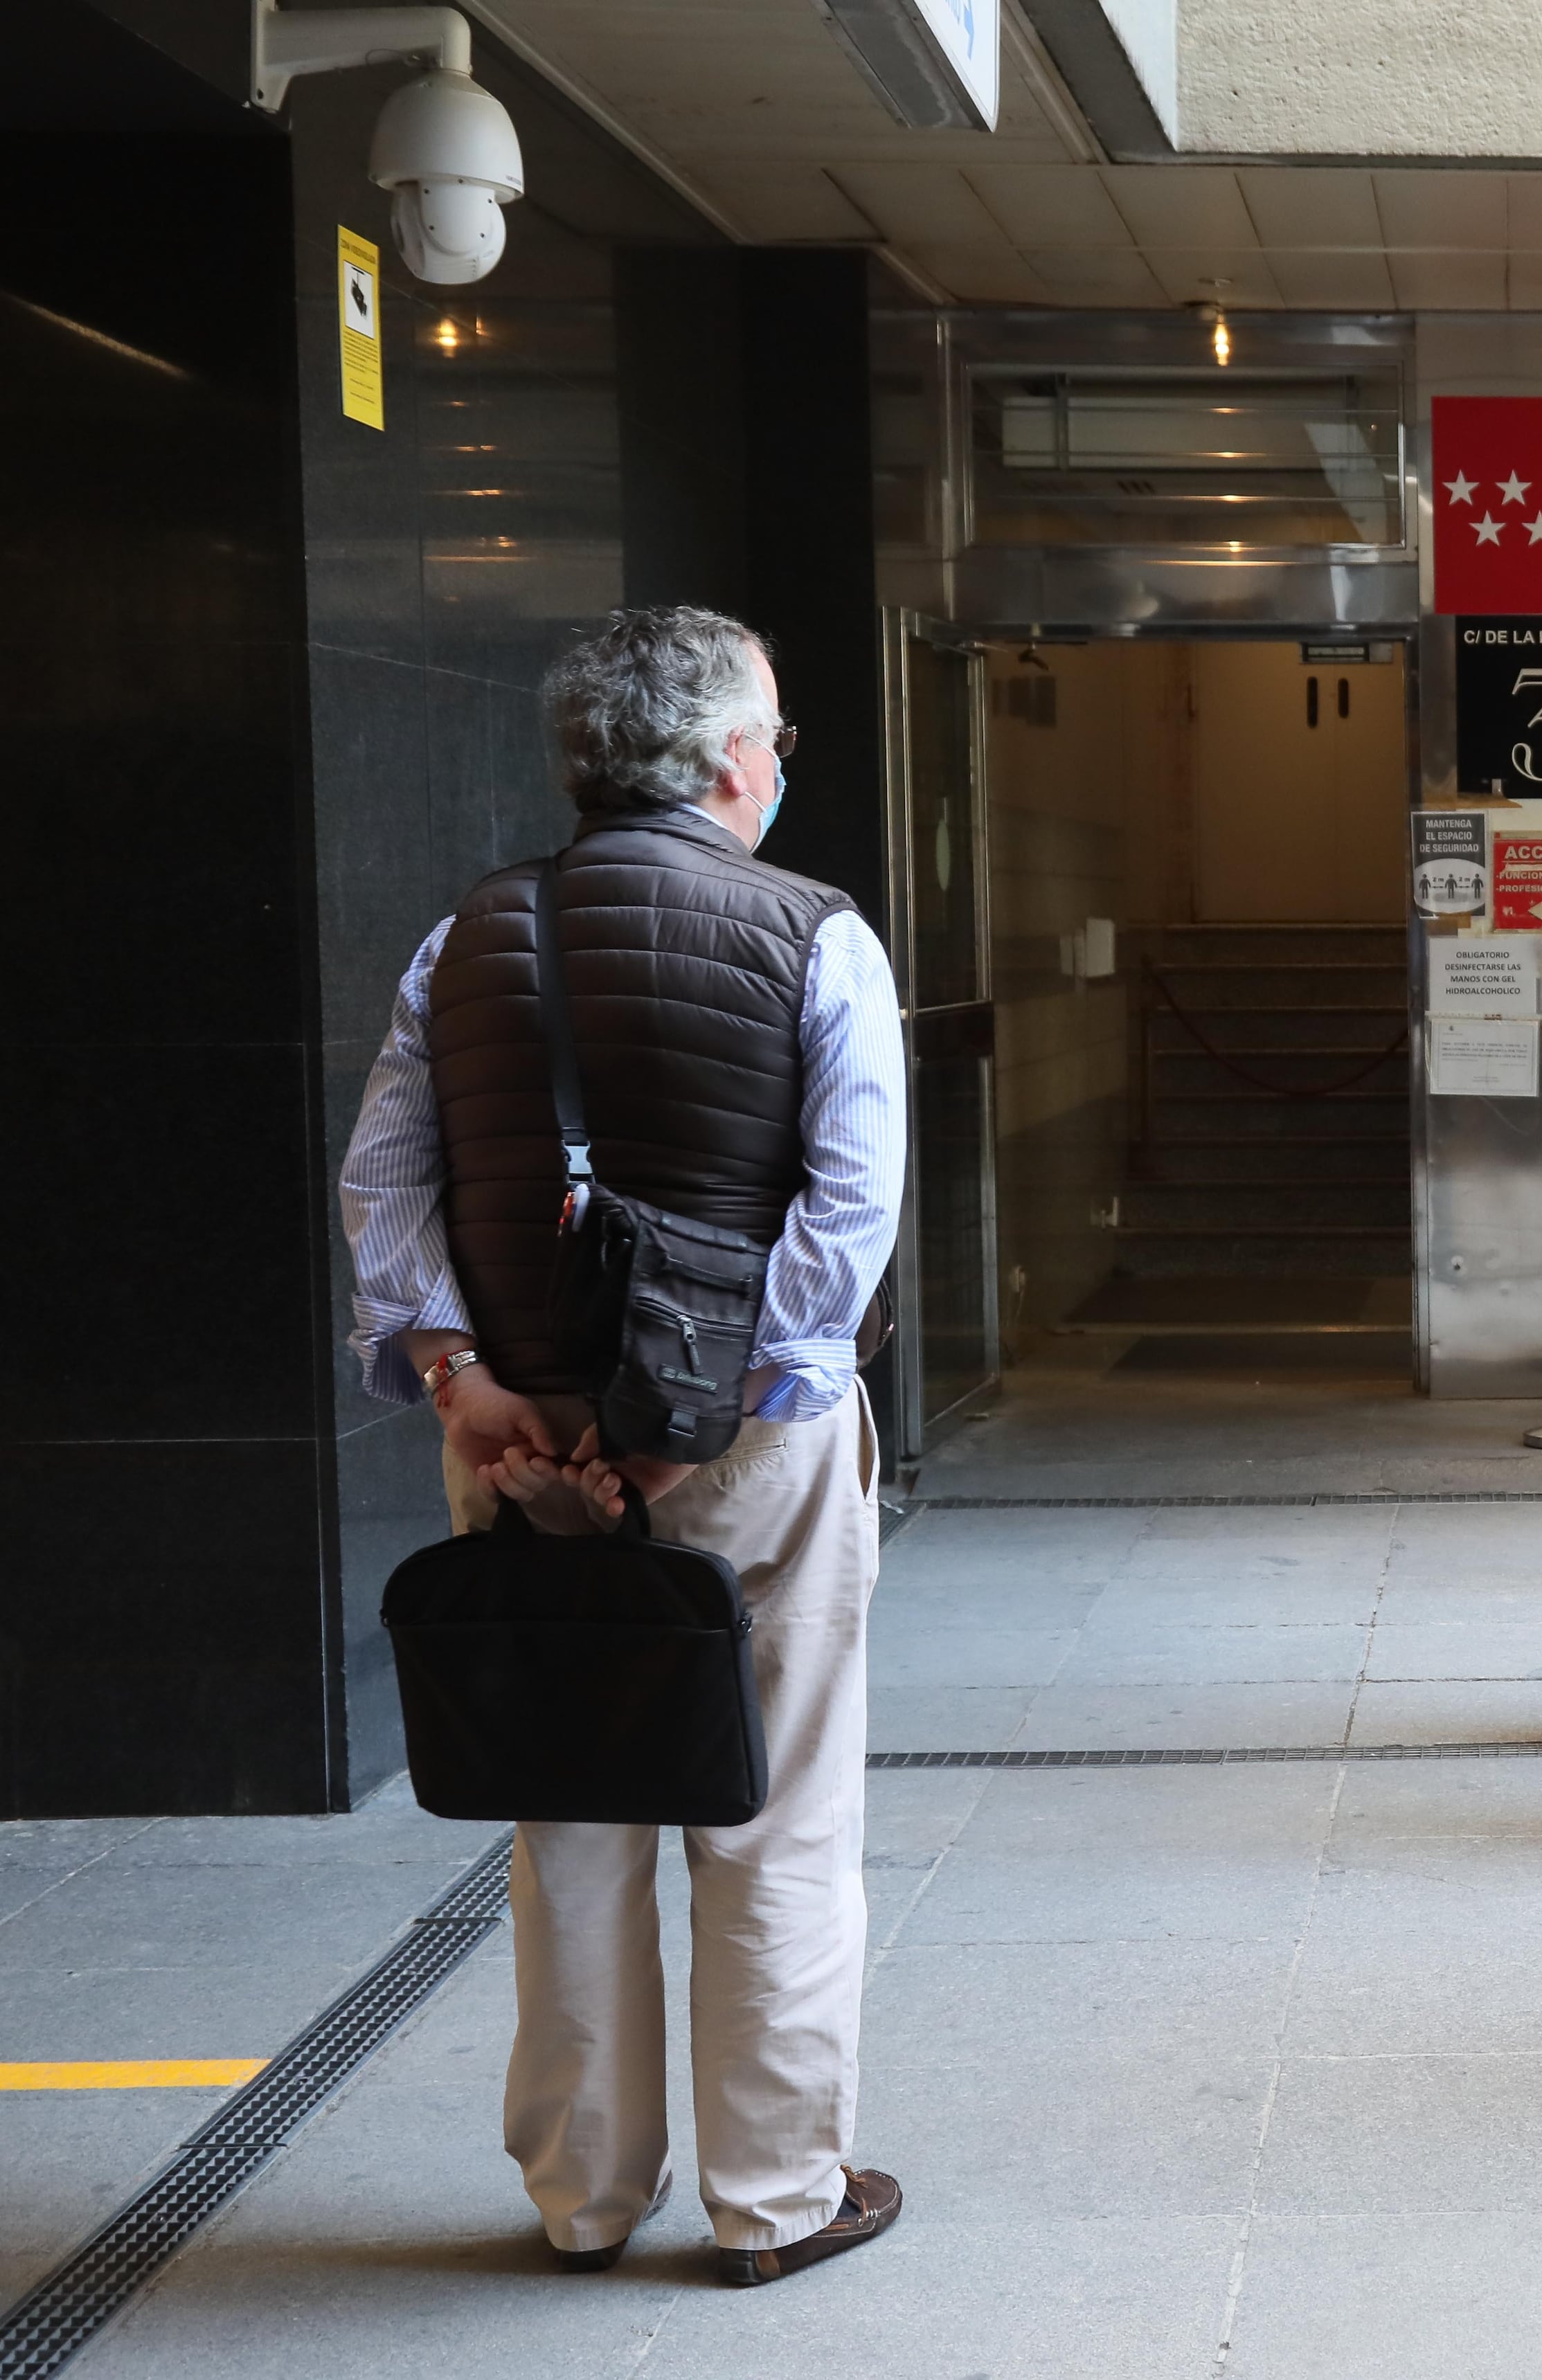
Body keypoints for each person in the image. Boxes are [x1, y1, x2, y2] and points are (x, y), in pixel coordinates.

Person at [337, 605, 908, 2284]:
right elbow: (847, 1207)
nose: (778, 769)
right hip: (746, 1447)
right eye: (782, 744)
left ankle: (584, 2197)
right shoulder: (818, 936)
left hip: (513, 1431)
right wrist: (710, 1417)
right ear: (734, 758)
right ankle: (774, 2200)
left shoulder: (466, 940)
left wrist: (454, 1373)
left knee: (568, 1810)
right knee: (778, 1817)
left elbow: (390, 1173)